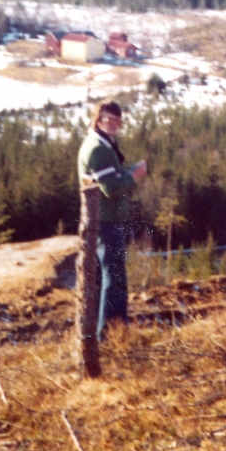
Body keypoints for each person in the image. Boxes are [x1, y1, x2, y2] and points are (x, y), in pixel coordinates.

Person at [78, 100, 147, 331]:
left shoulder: (102, 144)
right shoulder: (98, 149)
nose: (114, 123)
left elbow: (109, 180)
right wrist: (134, 175)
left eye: (118, 119)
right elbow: (111, 188)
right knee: (114, 279)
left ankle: (102, 334)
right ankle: (113, 335)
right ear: (98, 120)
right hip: (106, 223)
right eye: (109, 118)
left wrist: (127, 172)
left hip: (102, 221)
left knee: (105, 279)